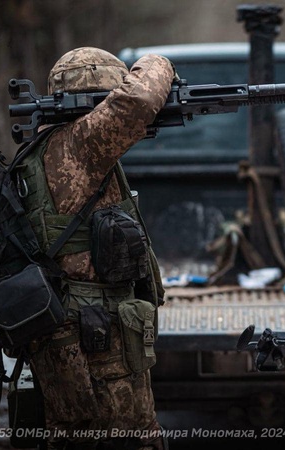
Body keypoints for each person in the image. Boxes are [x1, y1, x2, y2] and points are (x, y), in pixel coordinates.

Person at [20, 47, 176, 449]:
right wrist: (158, 60)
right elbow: (140, 99)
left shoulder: (44, 146)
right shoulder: (83, 143)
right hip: (97, 334)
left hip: (70, 330)